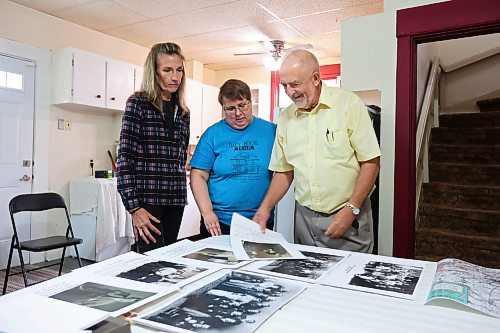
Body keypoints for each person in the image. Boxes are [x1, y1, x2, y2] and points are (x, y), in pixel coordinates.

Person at [253, 50, 381, 253]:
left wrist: (352, 208)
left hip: (348, 216)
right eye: (284, 85)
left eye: (295, 84)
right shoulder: (286, 117)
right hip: (304, 219)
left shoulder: (348, 104)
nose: (289, 92)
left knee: (346, 281)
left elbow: (371, 162)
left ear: (315, 78)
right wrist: (266, 207)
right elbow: (284, 171)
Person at [117, 42, 190, 253]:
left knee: (168, 258)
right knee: (149, 263)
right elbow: (125, 159)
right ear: (154, 72)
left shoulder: (183, 112)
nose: (175, 77)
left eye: (179, 70)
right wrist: (134, 207)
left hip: (175, 198)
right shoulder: (138, 104)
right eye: (167, 70)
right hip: (147, 200)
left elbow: (179, 157)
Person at [189, 79, 276, 238]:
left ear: (250, 102)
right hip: (220, 223)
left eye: (242, 105)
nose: (237, 113)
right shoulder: (212, 135)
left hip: (261, 221)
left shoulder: (271, 131)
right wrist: (207, 212)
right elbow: (198, 175)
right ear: (223, 108)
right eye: (230, 108)